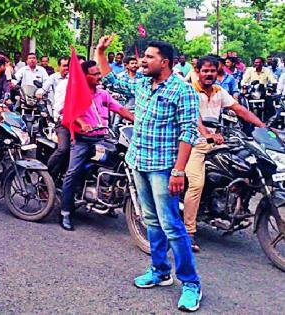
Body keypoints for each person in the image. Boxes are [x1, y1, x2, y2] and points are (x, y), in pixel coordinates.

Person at [97, 35, 202, 312]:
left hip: (164, 167)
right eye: (143, 56)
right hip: (139, 161)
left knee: (171, 225)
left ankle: (191, 283)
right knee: (151, 220)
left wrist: (179, 170)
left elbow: (189, 132)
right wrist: (100, 52)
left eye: (150, 57)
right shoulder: (143, 83)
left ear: (164, 62)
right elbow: (112, 80)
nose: (143, 60)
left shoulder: (182, 90)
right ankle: (160, 271)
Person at [183, 56, 265, 252]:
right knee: (196, 184)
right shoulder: (190, 91)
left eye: (212, 71)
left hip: (215, 141)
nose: (209, 74)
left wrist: (265, 128)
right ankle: (188, 233)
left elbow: (240, 110)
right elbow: (194, 118)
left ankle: (231, 204)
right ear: (198, 71)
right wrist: (207, 134)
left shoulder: (220, 92)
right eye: (205, 71)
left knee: (245, 164)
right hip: (193, 143)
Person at [59, 60, 134, 231]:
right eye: (95, 74)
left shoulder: (102, 94)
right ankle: (65, 212)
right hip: (82, 140)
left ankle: (106, 200)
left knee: (117, 163)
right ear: (85, 76)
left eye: (99, 73)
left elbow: (120, 109)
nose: (99, 77)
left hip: (102, 138)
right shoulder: (77, 93)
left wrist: (138, 121)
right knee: (72, 173)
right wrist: (82, 123)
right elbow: (69, 112)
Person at [47, 56, 85, 180]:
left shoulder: (87, 86)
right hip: (63, 123)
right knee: (63, 149)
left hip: (81, 125)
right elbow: (60, 109)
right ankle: (45, 176)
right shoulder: (65, 85)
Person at [108, 56, 143, 128]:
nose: (134, 65)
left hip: (138, 106)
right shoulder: (121, 77)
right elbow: (116, 89)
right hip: (124, 106)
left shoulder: (142, 77)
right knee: (116, 124)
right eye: (132, 63)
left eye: (135, 63)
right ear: (126, 65)